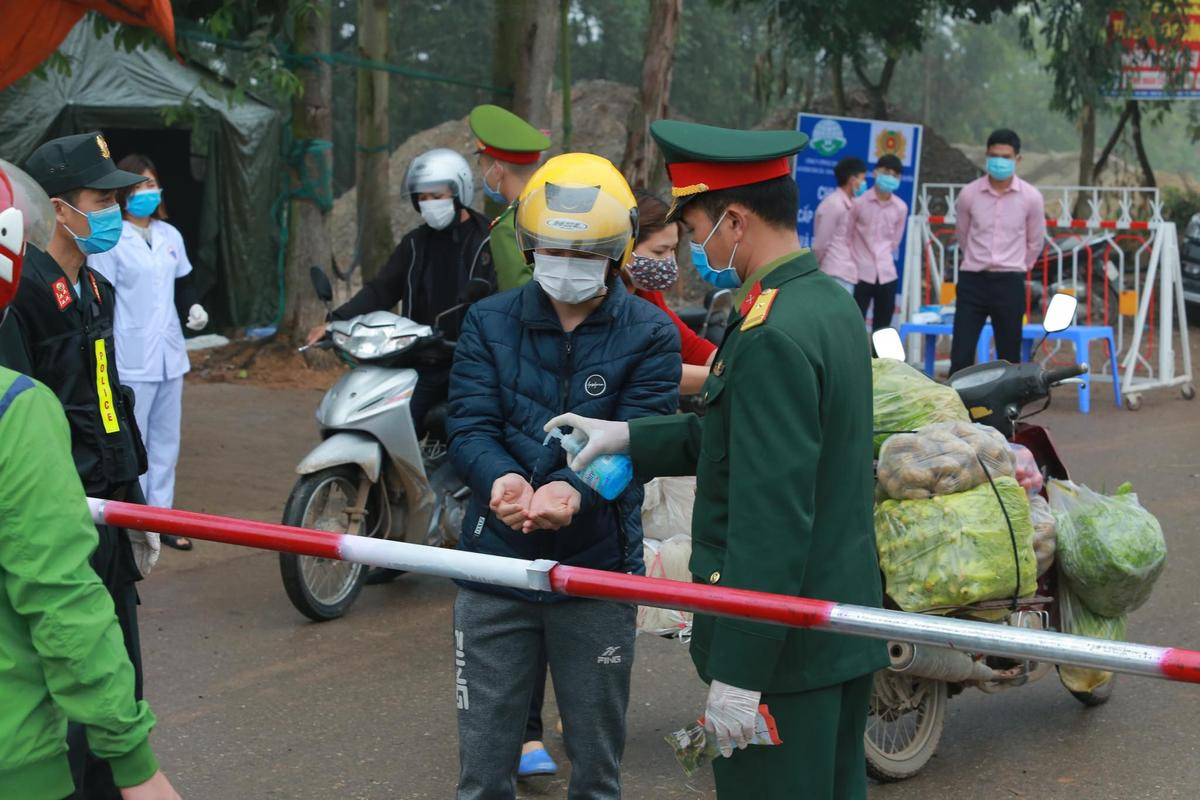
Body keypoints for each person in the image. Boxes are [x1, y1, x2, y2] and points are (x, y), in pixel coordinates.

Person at [546, 120, 888, 800]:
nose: (693, 251)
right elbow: (736, 442)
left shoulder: (774, 334)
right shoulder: (826, 305)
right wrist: (622, 437)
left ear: (734, 220)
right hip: (836, 635)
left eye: (697, 230)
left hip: (783, 657)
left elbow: (772, 519)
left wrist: (739, 674)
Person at [447, 152, 680, 800]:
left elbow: (641, 442)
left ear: (615, 254)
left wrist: (573, 495)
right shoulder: (488, 322)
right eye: (553, 250)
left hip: (595, 571)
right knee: (483, 769)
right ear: (528, 247)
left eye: (586, 253)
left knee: (597, 769)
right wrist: (501, 482)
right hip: (494, 565)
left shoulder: (651, 334)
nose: (568, 265)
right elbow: (467, 426)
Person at [0, 158, 180, 800]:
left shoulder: (93, 286)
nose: (111, 212)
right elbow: (55, 596)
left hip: (106, 498)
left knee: (118, 645)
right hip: (54, 500)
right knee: (65, 637)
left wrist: (132, 488)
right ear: (53, 208)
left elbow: (107, 397)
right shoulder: (23, 296)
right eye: (98, 200)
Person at [305, 147, 494, 441]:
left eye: (437, 196)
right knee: (388, 425)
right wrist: (335, 321)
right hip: (418, 357)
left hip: (470, 361)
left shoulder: (487, 241)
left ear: (460, 192)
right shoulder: (415, 243)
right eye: (422, 198)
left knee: (467, 437)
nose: (429, 203)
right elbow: (381, 289)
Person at [89, 154, 209, 552]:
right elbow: (100, 296)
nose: (147, 192)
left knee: (166, 442)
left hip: (169, 355)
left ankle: (163, 519)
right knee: (133, 442)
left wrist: (192, 307)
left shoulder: (170, 235)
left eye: (151, 184)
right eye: (138, 186)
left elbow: (184, 283)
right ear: (122, 193)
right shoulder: (113, 240)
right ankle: (133, 520)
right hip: (130, 355)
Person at [950, 128, 1046, 375]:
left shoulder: (1031, 197)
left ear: (1018, 159)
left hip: (1009, 281)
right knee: (961, 352)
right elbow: (963, 235)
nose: (999, 162)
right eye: (994, 155)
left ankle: (1006, 411)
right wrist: (976, 259)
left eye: (1006, 157)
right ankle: (956, 408)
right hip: (973, 280)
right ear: (986, 155)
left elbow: (1035, 241)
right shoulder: (969, 194)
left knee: (1008, 354)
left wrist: (1018, 265)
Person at [625, 191, 717, 394]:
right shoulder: (601, 299)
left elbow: (688, 346)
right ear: (624, 248)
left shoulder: (645, 291)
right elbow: (649, 373)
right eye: (659, 251)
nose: (669, 261)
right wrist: (727, 378)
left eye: (673, 250)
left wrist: (731, 365)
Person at [468, 104, 551, 291]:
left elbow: (518, 300)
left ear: (497, 171)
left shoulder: (508, 228)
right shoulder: (557, 205)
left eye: (482, 166)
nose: (483, 174)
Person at [847, 153, 907, 333]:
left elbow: (895, 241)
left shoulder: (901, 207)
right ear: (875, 172)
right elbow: (847, 235)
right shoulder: (859, 202)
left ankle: (878, 361)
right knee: (854, 326)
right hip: (860, 273)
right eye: (886, 172)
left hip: (886, 273)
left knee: (883, 331)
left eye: (895, 175)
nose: (890, 177)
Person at [812, 156, 867, 294]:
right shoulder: (834, 204)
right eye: (862, 179)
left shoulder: (851, 203)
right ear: (852, 180)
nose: (864, 183)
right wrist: (815, 268)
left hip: (844, 272)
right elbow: (820, 244)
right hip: (833, 274)